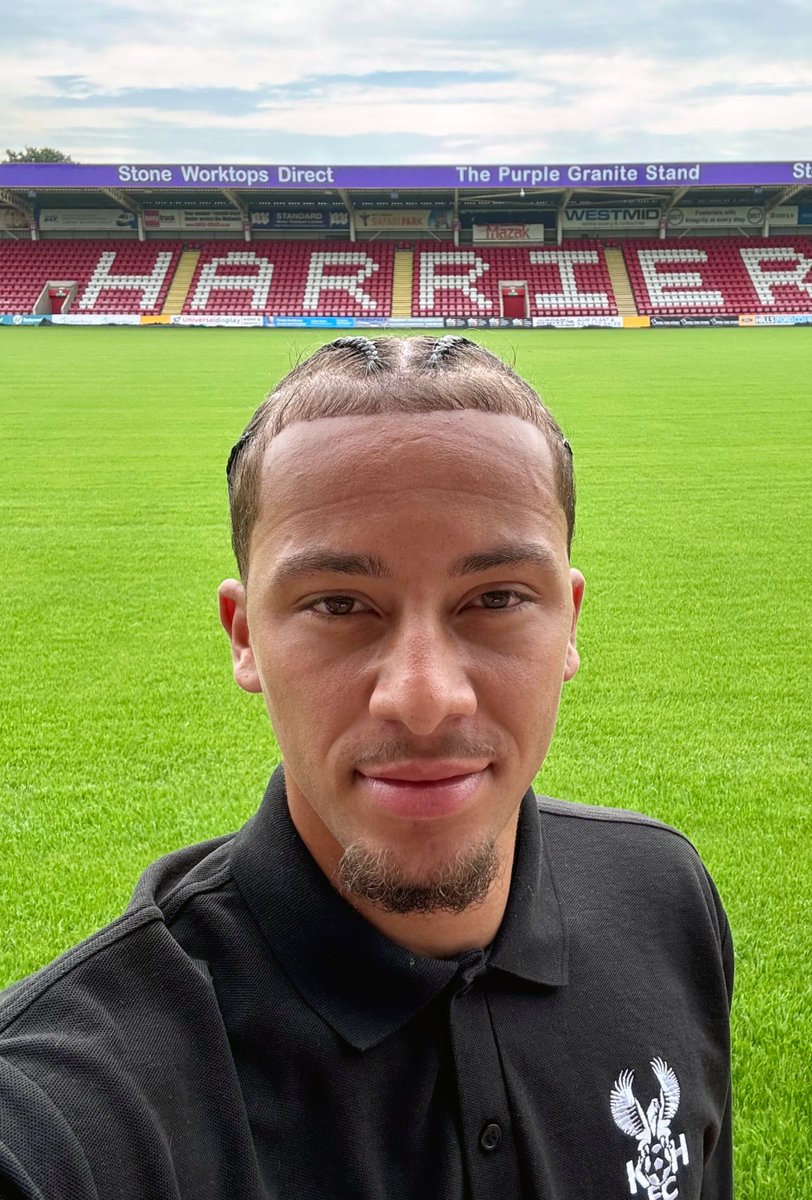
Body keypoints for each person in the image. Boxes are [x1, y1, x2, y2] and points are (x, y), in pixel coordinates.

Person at [0, 336, 732, 1199]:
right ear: (245, 638)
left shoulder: (664, 894)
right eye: (339, 605)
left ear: (568, 621)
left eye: (495, 598)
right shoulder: (82, 1105)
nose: (424, 700)